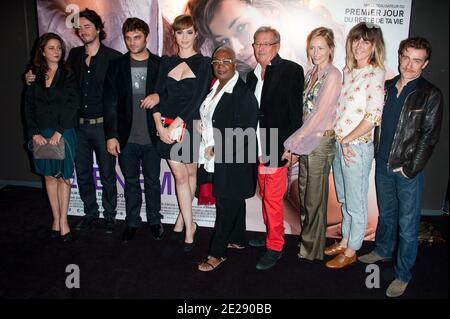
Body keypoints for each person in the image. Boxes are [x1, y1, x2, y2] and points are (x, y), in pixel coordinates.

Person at [358, 37, 443, 297]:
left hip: (406, 171)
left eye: (416, 60)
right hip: (382, 163)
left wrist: (410, 169)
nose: (409, 64)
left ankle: (403, 274)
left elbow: (429, 138)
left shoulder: (431, 94)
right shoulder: (384, 87)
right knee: (386, 214)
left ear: (425, 63)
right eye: (406, 57)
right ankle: (383, 250)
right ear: (399, 55)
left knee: (407, 226)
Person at [26, 9, 122, 234]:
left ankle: (110, 216)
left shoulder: (114, 58)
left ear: (98, 29)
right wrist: (30, 76)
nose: (83, 30)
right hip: (77, 127)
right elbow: (53, 81)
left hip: (103, 127)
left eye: (88, 26)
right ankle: (91, 213)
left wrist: (114, 132)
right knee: (83, 173)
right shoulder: (74, 56)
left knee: (108, 174)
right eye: (80, 27)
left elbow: (118, 98)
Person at [147, 15, 212, 252]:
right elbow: (155, 95)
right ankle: (190, 227)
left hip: (191, 125)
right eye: (179, 32)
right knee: (180, 176)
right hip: (167, 126)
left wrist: (179, 122)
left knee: (191, 172)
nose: (183, 38)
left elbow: (198, 98)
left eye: (188, 32)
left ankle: (183, 217)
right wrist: (159, 125)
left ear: (196, 34)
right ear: (173, 35)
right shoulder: (165, 62)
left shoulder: (204, 63)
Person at [324, 22, 386, 269]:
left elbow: (373, 117)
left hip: (356, 147)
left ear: (374, 47)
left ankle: (352, 250)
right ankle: (346, 239)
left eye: (366, 41)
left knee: (356, 201)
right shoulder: (348, 70)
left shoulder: (375, 73)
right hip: (340, 145)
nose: (359, 45)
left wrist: (348, 140)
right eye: (356, 39)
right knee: (344, 198)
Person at [246, 26, 304, 270]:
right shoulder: (251, 75)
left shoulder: (291, 70)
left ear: (277, 46)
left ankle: (275, 245)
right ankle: (272, 230)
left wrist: (291, 147)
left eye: (266, 44)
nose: (260, 48)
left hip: (277, 144)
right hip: (256, 144)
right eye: (257, 44)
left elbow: (295, 113)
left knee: (272, 198)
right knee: (264, 194)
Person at [282, 27, 342, 261]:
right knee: (306, 195)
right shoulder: (311, 73)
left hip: (320, 142)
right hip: (307, 140)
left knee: (314, 198)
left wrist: (291, 144)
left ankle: (311, 250)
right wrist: (297, 142)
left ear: (330, 49)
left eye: (321, 48)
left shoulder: (333, 75)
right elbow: (303, 113)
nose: (316, 52)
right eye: (312, 48)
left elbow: (318, 116)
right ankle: (309, 243)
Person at [197, 46, 258, 271]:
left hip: (233, 159)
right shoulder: (216, 88)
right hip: (216, 155)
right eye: (216, 61)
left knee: (225, 203)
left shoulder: (242, 93)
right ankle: (238, 238)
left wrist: (219, 148)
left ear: (234, 65)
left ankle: (217, 253)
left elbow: (247, 130)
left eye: (226, 61)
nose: (220, 65)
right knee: (233, 199)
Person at [103, 17, 164, 243]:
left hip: (152, 136)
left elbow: (170, 95)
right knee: (130, 182)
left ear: (146, 37)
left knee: (152, 182)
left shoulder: (159, 65)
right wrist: (111, 135)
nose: (132, 42)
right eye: (128, 38)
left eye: (137, 37)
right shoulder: (117, 66)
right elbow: (109, 103)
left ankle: (155, 221)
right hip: (126, 137)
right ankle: (132, 221)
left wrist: (159, 96)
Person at [186, 0, 345, 75]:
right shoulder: (241, 82)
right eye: (224, 40)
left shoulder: (332, 59)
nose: (236, 49)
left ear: (269, 10)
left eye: (241, 27)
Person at [24, 33, 79, 241]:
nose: (57, 52)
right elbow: (28, 106)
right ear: (43, 52)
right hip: (41, 134)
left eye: (59, 48)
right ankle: (55, 219)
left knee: (64, 178)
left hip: (64, 132)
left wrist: (59, 131)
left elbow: (72, 104)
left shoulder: (68, 73)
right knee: (49, 177)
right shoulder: (34, 75)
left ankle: (64, 220)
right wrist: (34, 133)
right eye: (52, 48)